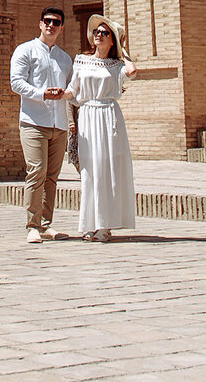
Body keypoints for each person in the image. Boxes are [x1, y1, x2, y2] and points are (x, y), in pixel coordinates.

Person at [66, 14, 137, 242]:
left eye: (105, 33)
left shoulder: (116, 66)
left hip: (109, 118)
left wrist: (123, 50)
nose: (99, 35)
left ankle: (105, 226)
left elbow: (133, 72)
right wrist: (56, 94)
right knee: (90, 170)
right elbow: (72, 91)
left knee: (109, 170)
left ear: (112, 40)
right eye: (97, 32)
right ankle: (90, 223)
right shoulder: (80, 61)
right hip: (88, 117)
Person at [8, 6, 73, 243]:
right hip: (34, 122)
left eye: (56, 22)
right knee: (36, 172)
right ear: (40, 24)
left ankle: (46, 225)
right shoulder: (25, 50)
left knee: (52, 177)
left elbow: (71, 90)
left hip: (59, 125)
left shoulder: (65, 58)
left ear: (62, 27)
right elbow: (16, 83)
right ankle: (32, 226)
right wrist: (42, 94)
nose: (51, 25)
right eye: (47, 21)